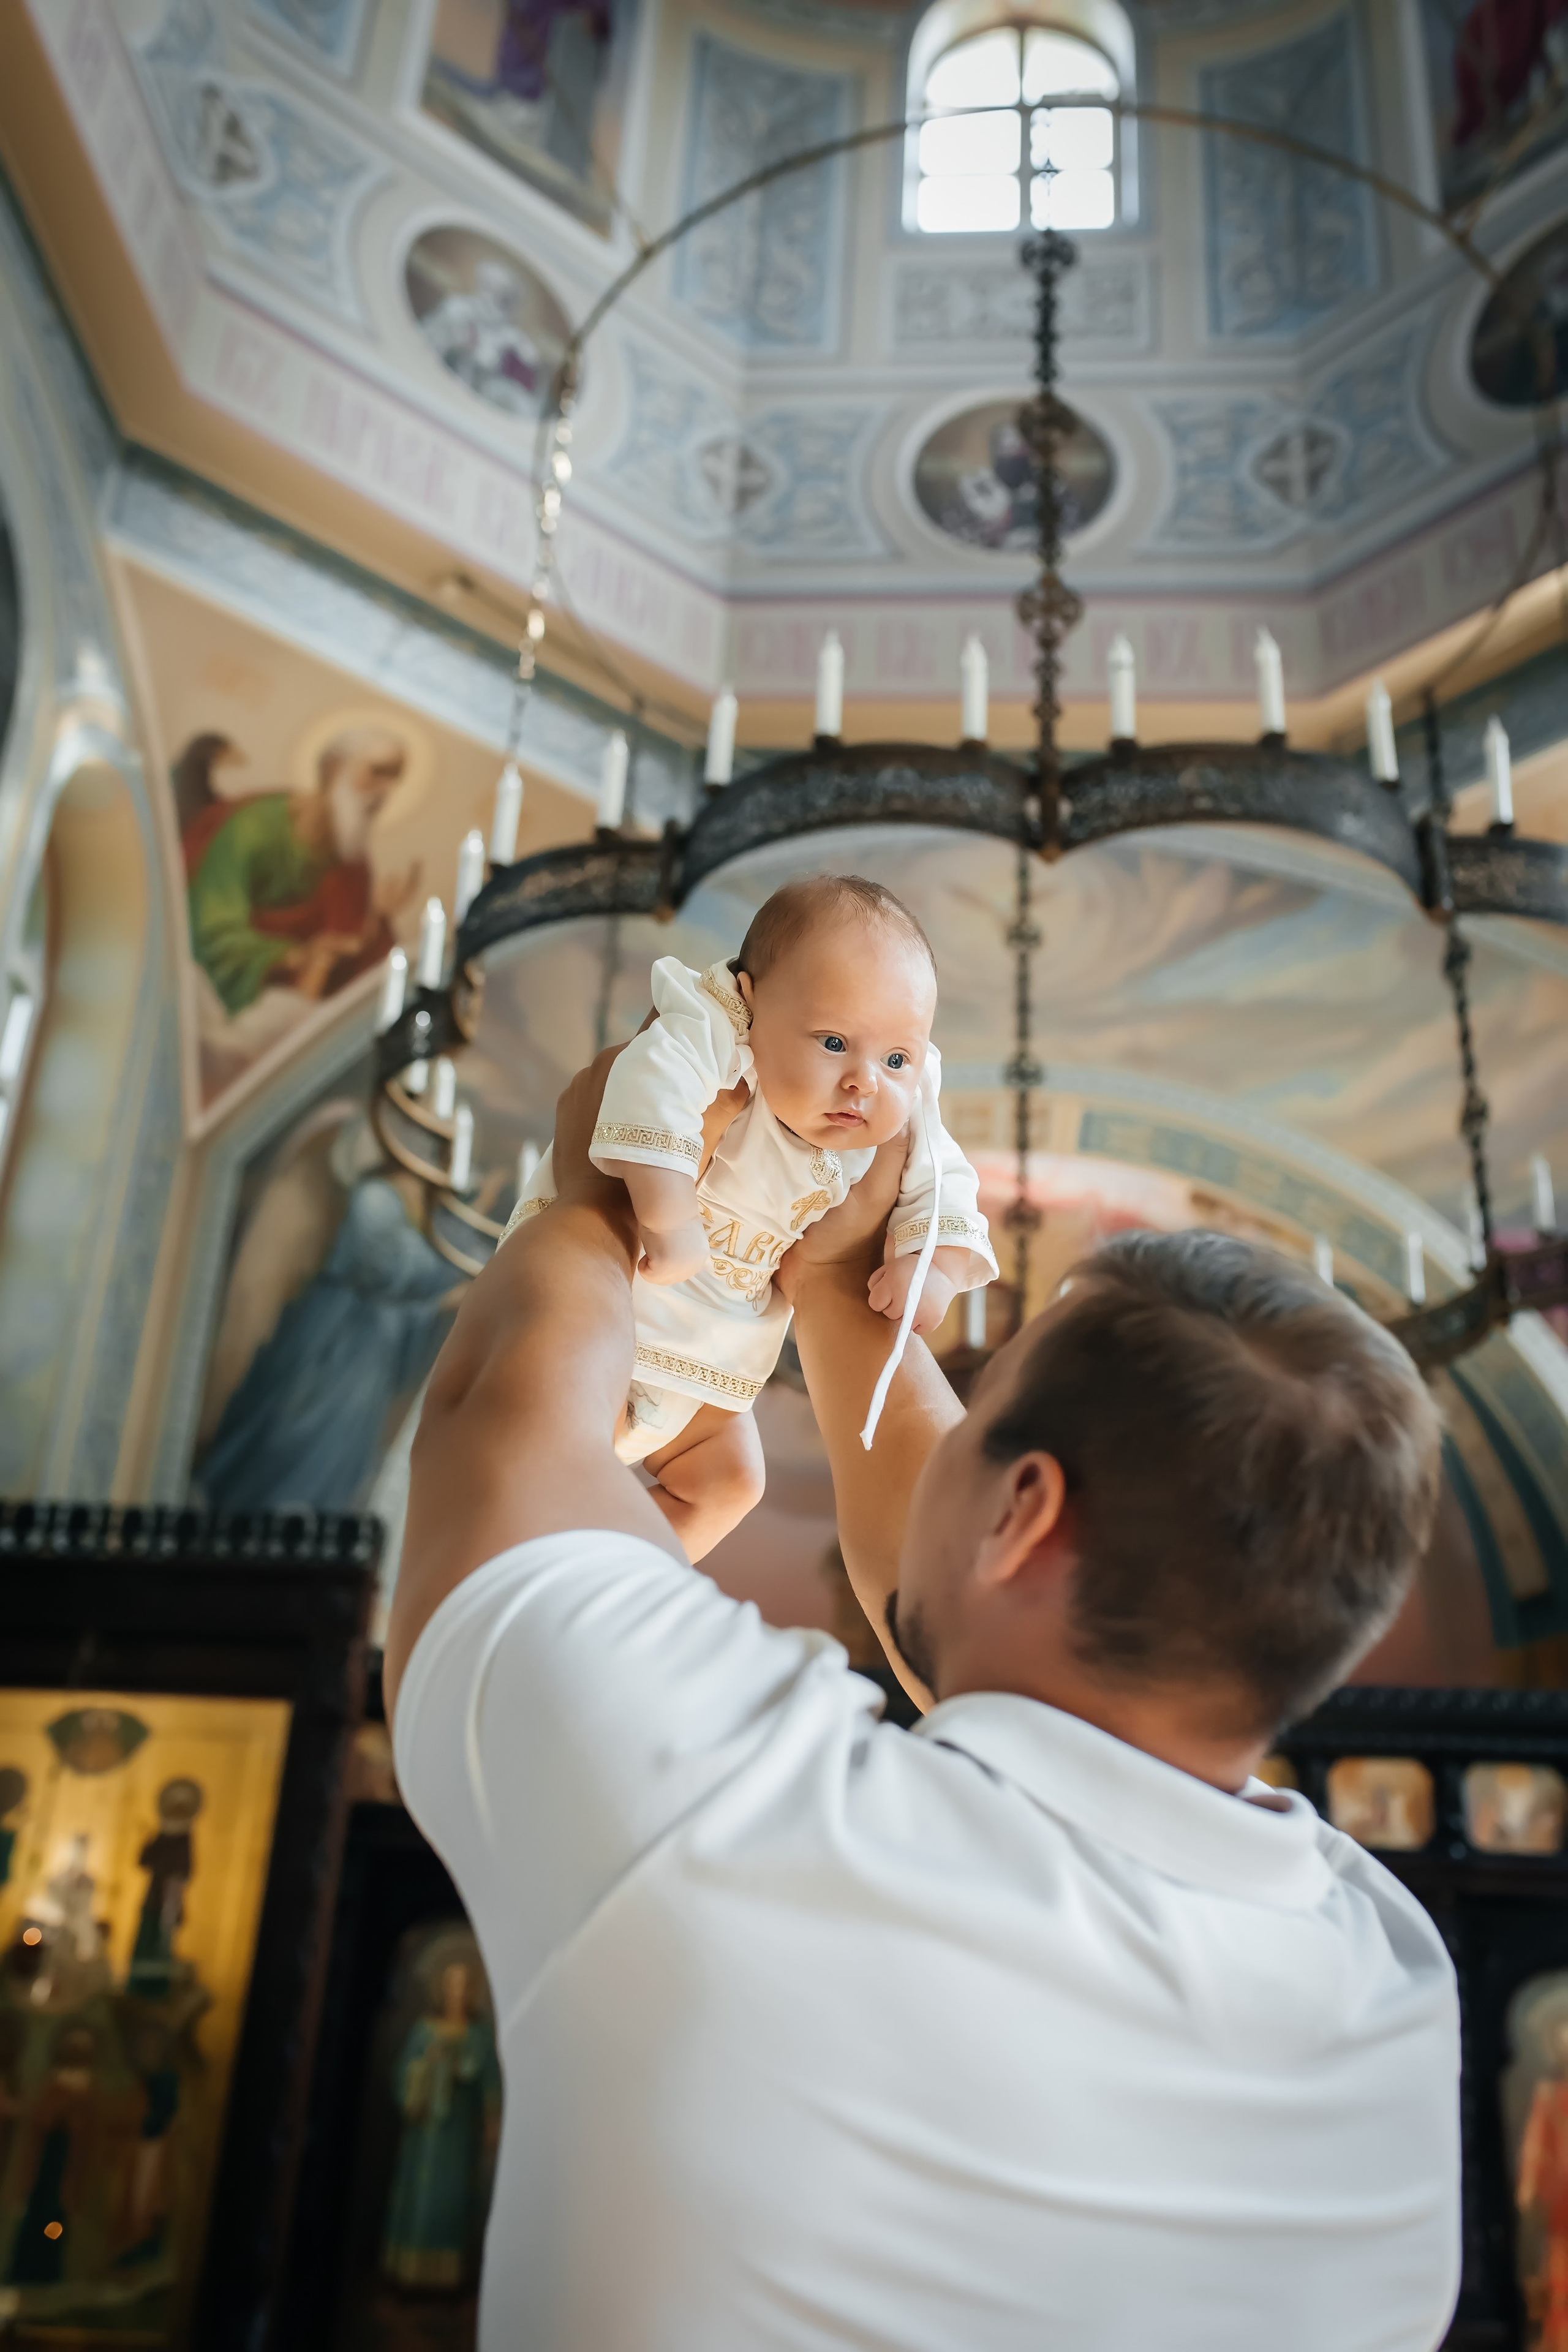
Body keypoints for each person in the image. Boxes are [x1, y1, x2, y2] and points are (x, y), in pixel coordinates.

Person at [385, 1042, 1461, 2351]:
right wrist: (843, 1283)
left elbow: (501, 1425)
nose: (944, 1427)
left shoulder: (728, 1818)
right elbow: (998, 1637)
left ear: (1022, 1509)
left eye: (979, 1403)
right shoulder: (1388, 1983)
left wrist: (615, 1189)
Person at [509, 876, 993, 1556]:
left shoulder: (899, 1119)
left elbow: (946, 1185)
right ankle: (539, 1550)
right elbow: (651, 1085)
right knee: (550, 1461)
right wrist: (667, 1213)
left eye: (896, 1059)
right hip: (611, 1316)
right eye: (832, 1043)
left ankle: (619, 1572)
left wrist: (931, 1269)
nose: (865, 1081)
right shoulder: (717, 1040)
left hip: (711, 1360)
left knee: (732, 1481)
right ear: (750, 1003)